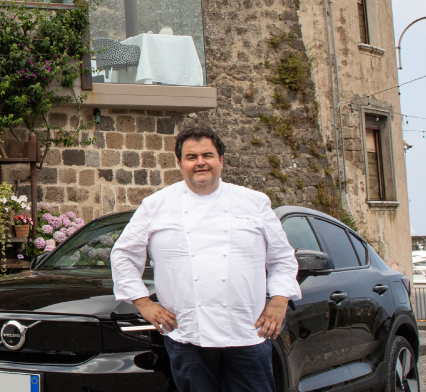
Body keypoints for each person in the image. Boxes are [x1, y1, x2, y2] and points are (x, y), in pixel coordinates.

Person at [110, 126, 300, 392]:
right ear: (179, 163)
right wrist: (143, 303)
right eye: (191, 157)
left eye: (207, 155)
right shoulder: (156, 205)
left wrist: (280, 299)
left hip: (248, 332)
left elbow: (281, 256)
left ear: (221, 160)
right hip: (187, 335)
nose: (200, 162)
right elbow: (123, 254)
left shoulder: (253, 202)